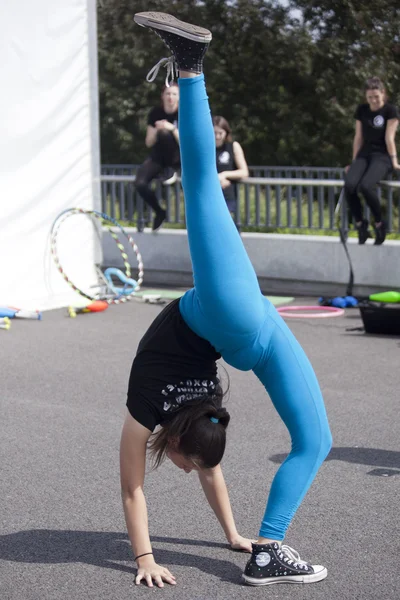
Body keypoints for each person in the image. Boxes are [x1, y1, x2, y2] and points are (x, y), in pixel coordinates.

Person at [120, 12, 332, 589]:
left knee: (202, 184)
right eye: (200, 461)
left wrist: (147, 558)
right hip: (244, 324)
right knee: (317, 441)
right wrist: (236, 531)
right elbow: (206, 469)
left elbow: (133, 486)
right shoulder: (199, 419)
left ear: (181, 441)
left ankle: (191, 65)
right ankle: (267, 548)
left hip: (230, 316)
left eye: (192, 461)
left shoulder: (146, 406)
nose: (197, 470)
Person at [344, 77, 400, 245]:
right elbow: (358, 137)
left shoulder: (390, 111)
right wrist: (354, 162)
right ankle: (361, 224)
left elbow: (389, 138)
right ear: (365, 98)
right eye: (370, 98)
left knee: (366, 186)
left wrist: (395, 162)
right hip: (364, 154)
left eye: (376, 96)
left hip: (382, 155)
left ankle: (380, 223)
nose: (374, 101)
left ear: (383, 93)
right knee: (350, 185)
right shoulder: (362, 110)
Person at [135, 82, 180, 231]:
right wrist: (157, 129)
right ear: (162, 96)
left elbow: (186, 143)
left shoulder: (184, 113)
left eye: (174, 94)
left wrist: (171, 128)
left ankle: (171, 170)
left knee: (165, 133)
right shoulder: (155, 113)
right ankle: (159, 212)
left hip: (178, 157)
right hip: (158, 157)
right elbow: (149, 142)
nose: (170, 97)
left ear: (179, 97)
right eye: (168, 94)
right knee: (140, 183)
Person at [213, 115, 249, 214]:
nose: (217, 136)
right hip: (209, 195)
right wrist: (217, 180)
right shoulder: (204, 149)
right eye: (214, 133)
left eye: (220, 133)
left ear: (226, 132)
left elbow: (244, 172)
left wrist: (224, 175)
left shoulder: (233, 146)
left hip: (227, 196)